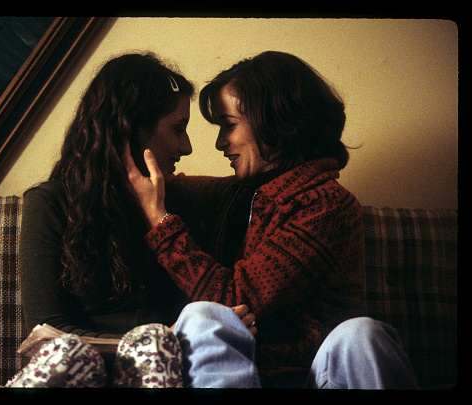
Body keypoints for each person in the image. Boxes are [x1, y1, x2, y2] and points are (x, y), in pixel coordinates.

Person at [126, 50, 418, 389]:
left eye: (229, 126)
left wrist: (159, 220)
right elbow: (172, 186)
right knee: (199, 318)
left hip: (312, 378)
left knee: (362, 335)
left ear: (276, 124)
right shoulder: (243, 193)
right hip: (244, 376)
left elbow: (232, 299)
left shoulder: (327, 206)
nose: (220, 143)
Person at [8, 52, 258, 388]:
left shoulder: (180, 202)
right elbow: (46, 332)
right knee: (67, 353)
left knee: (182, 332)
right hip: (85, 373)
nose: (186, 147)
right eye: (178, 129)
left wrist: (159, 217)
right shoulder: (50, 204)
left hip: (165, 372)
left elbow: (261, 184)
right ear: (132, 129)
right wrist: (163, 336)